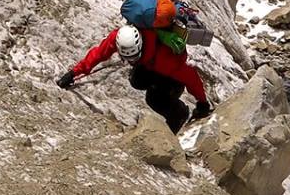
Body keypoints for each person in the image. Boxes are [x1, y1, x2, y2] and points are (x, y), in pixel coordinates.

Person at [57, 23, 213, 133]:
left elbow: (190, 77)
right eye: (128, 58)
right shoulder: (117, 38)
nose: (130, 62)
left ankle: (178, 116)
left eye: (133, 58)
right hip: (150, 64)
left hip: (170, 77)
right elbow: (98, 54)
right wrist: (73, 74)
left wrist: (203, 103)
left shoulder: (165, 60)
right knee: (137, 80)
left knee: (154, 99)